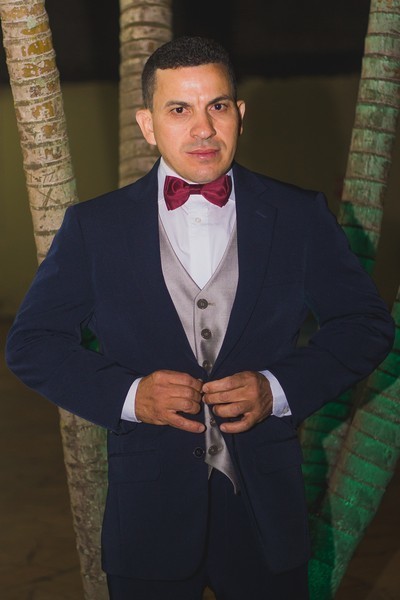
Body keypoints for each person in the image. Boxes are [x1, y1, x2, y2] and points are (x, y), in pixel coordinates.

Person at [6, 36, 394, 600]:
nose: (203, 128)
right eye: (179, 109)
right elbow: (32, 343)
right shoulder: (95, 228)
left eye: (217, 106)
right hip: (149, 516)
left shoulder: (299, 215)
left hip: (266, 513)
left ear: (240, 114)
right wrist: (131, 396)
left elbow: (364, 324)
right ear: (147, 124)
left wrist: (278, 389)